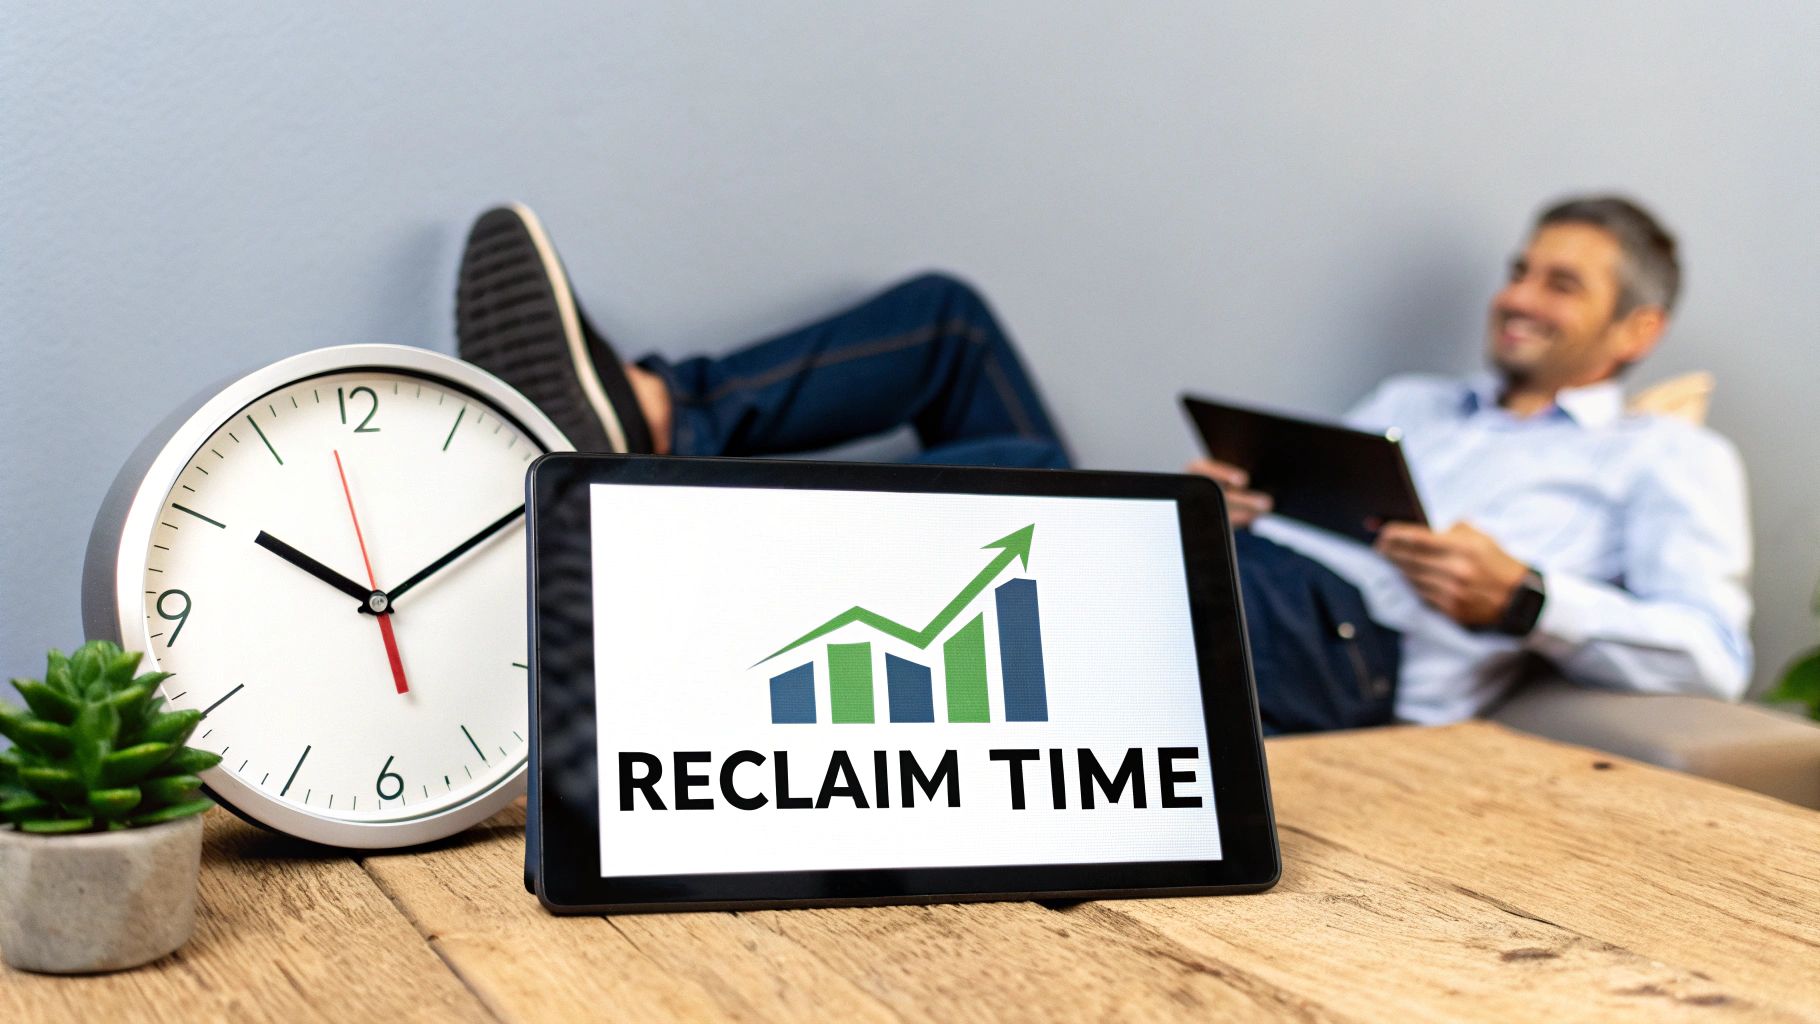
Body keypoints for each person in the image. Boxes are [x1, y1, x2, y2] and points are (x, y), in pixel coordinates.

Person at [454, 197, 1751, 732]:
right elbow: (1309, 515)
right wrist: (1232, 499)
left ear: (1634, 329)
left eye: (1560, 282)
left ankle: (659, 529)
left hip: (1357, 651)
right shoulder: (1424, 398)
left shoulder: (1664, 460)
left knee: (1021, 475)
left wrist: (1524, 599)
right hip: (1247, 572)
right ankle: (654, 416)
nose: (1518, 295)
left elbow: (1714, 656)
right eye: (1521, 268)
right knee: (948, 319)